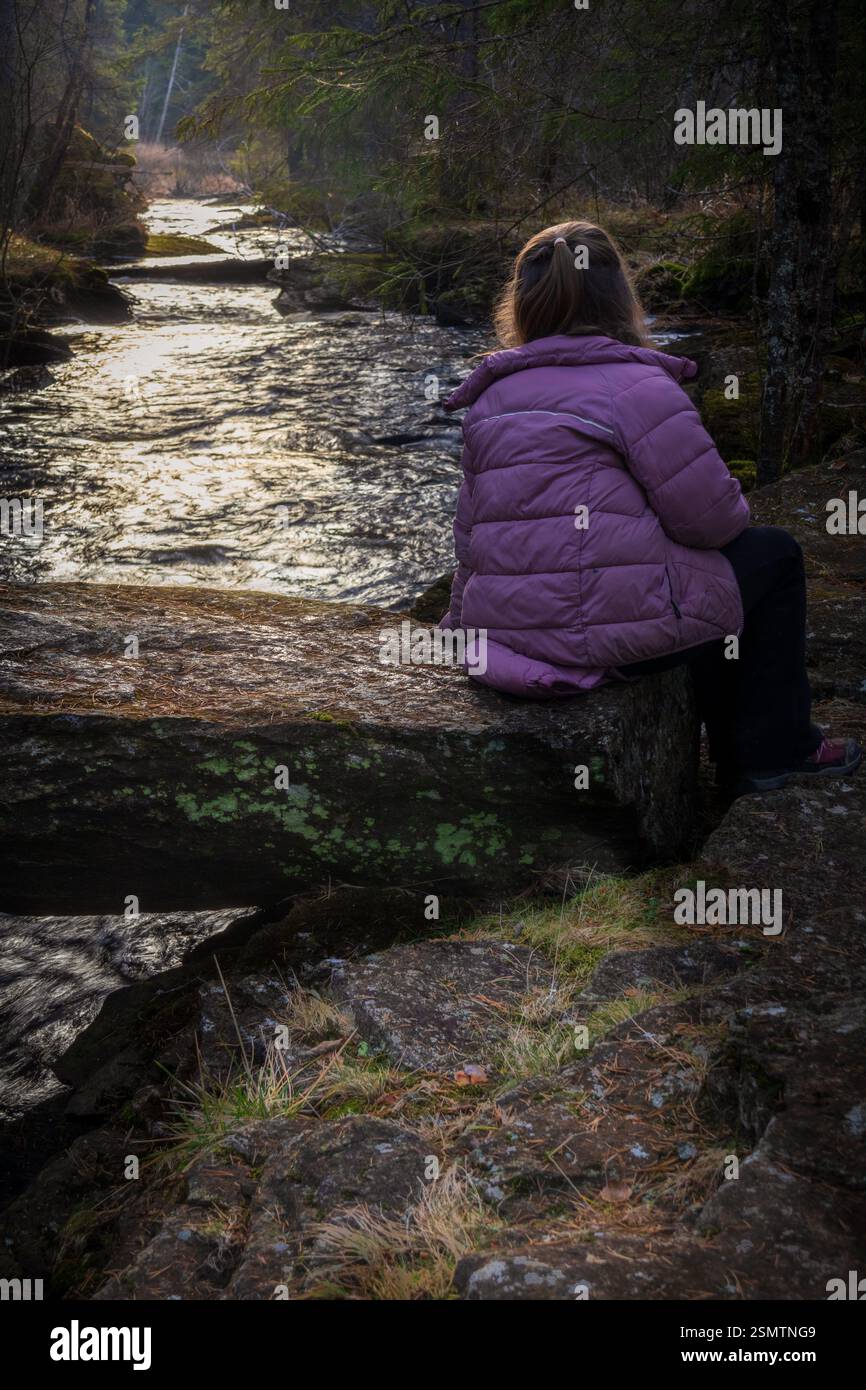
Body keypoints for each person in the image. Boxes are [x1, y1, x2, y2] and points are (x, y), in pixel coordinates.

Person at [440, 220, 861, 795]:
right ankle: (775, 751)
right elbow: (713, 521)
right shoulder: (639, 389)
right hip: (593, 637)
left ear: (524, 306)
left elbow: (470, 537)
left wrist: (456, 627)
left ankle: (740, 752)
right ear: (621, 299)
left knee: (685, 578)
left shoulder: (488, 399)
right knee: (771, 557)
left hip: (509, 637)